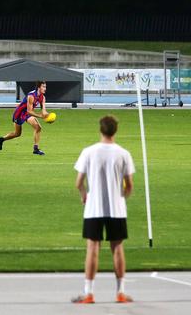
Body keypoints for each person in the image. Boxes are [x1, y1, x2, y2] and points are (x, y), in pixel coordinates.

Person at [72, 115, 135, 304]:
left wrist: (84, 195)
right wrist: (121, 197)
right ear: (115, 130)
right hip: (117, 209)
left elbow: (79, 183)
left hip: (94, 208)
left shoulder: (89, 152)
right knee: (117, 248)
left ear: (101, 130)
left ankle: (89, 293)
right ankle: (121, 292)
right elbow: (129, 185)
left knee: (92, 249)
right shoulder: (123, 153)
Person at [0, 81, 50, 155]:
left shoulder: (42, 97)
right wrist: (40, 116)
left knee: (38, 128)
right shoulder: (31, 96)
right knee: (17, 133)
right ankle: (1, 139)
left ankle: (36, 149)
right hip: (19, 113)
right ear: (38, 87)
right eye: (43, 86)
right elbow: (29, 111)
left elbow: (43, 110)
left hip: (28, 114)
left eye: (45, 86)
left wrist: (47, 116)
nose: (45, 88)